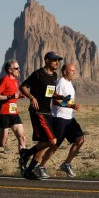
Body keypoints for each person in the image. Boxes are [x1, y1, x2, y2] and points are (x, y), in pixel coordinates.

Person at [19, 51, 69, 180]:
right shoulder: (38, 74)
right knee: (52, 141)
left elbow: (50, 93)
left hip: (48, 112)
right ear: (46, 60)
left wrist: (60, 97)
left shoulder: (54, 76)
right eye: (54, 60)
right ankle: (26, 154)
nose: (57, 63)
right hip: (38, 111)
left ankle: (29, 170)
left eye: (58, 60)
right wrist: (31, 97)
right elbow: (23, 87)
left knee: (44, 142)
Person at [36, 63, 84, 178]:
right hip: (59, 118)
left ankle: (66, 164)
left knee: (80, 139)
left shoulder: (69, 83)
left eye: (74, 70)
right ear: (65, 72)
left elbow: (66, 101)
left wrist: (72, 106)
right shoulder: (60, 83)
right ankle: (40, 166)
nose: (74, 72)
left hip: (69, 118)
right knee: (54, 146)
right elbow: (55, 101)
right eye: (72, 70)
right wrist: (71, 106)